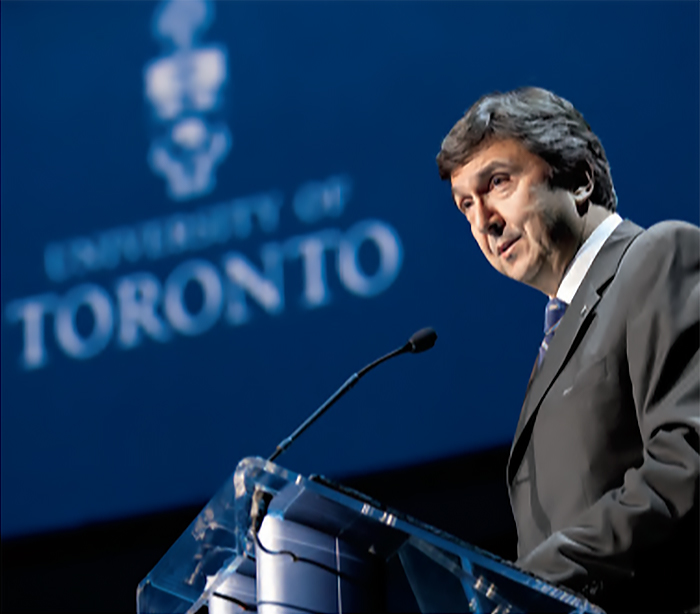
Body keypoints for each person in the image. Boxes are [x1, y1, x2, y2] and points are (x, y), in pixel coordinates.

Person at [436, 87, 699, 613]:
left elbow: (686, 460)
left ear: (579, 179)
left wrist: (534, 581)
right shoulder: (555, 338)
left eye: (498, 184)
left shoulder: (657, 256)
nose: (482, 222)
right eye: (466, 204)